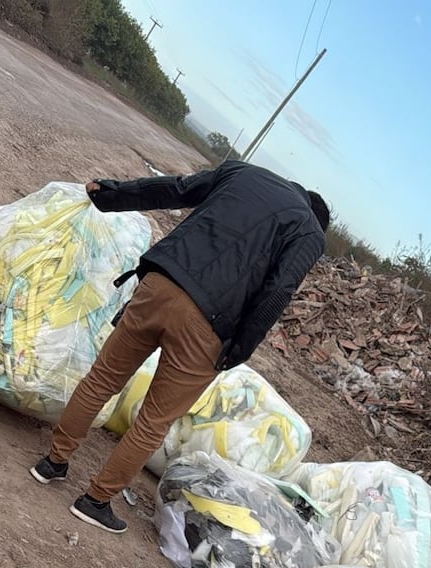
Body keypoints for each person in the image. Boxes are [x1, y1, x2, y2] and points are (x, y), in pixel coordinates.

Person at [31, 161, 330, 534]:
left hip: (161, 283)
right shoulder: (309, 232)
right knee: (154, 420)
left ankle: (52, 464)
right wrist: (240, 348)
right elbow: (278, 290)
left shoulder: (243, 173)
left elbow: (175, 189)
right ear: (318, 220)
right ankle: (95, 501)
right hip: (208, 324)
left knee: (101, 380)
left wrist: (109, 195)